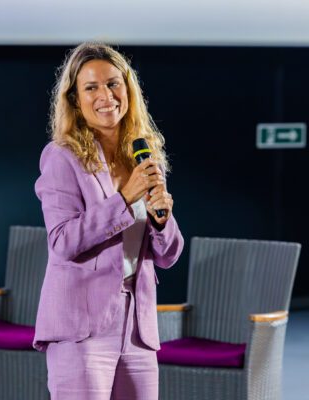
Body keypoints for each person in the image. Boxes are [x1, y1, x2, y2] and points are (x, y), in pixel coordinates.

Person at [33, 42, 184, 400]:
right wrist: (125, 198)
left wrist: (162, 222)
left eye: (114, 83)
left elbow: (167, 256)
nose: (106, 95)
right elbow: (63, 242)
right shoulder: (62, 157)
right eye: (91, 87)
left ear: (128, 89)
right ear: (75, 100)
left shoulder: (143, 157)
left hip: (137, 325)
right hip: (82, 326)